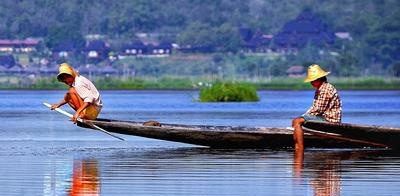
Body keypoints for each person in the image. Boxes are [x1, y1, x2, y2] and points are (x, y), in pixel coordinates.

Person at [292, 64, 342, 150]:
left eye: (313, 80)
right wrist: (304, 116)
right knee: (297, 121)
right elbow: (314, 107)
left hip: (330, 121)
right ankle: (297, 143)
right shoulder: (320, 88)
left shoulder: (325, 89)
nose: (311, 82)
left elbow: (318, 109)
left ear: (319, 79)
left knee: (297, 121)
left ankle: (299, 147)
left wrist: (303, 117)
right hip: (323, 118)